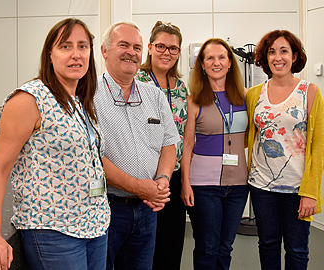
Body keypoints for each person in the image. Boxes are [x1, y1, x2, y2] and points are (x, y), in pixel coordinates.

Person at [0, 18, 110, 270]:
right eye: (65, 46)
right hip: (53, 230)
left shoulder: (80, 101)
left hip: (95, 224)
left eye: (83, 46)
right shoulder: (30, 99)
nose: (76, 55)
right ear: (50, 54)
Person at [94, 21, 180, 270]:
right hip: (106, 207)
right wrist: (138, 187)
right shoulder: (88, 95)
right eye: (123, 45)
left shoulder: (154, 95)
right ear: (105, 51)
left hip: (147, 209)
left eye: (137, 47)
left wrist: (162, 181)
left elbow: (168, 143)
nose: (131, 52)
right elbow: (92, 154)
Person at [247, 29, 324, 270]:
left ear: (294, 56)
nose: (277, 57)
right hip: (261, 185)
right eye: (271, 52)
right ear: (265, 58)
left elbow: (318, 145)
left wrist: (311, 192)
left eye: (284, 51)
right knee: (268, 243)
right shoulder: (253, 95)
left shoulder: (310, 92)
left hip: (297, 188)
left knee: (297, 249)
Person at [181, 38, 248, 270]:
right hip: (203, 185)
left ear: (230, 63)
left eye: (221, 57)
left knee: (225, 247)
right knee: (207, 248)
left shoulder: (246, 97)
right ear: (202, 64)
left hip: (239, 185)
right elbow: (187, 145)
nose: (216, 62)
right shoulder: (193, 101)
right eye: (210, 58)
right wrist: (185, 184)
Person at [135, 21, 188, 270]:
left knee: (171, 242)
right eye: (161, 46)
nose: (167, 52)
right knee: (145, 247)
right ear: (149, 48)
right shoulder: (136, 82)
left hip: (173, 175)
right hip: (143, 176)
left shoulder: (180, 88)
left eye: (173, 48)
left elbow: (185, 137)